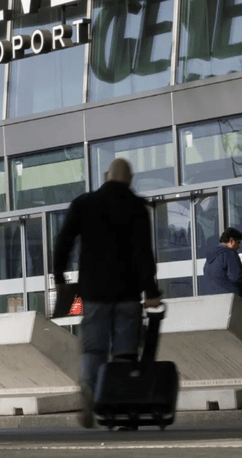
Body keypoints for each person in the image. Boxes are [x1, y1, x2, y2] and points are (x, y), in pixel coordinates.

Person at [51, 158, 161, 428]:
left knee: (93, 350)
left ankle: (89, 394)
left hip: (94, 292)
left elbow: (63, 241)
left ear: (105, 176)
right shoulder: (137, 207)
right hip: (127, 294)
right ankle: (123, 409)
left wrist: (60, 277)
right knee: (125, 353)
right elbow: (144, 253)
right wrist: (151, 291)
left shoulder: (84, 204)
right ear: (130, 179)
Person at [203, 227, 242, 298]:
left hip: (213, 301)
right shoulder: (230, 254)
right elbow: (236, 278)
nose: (239, 246)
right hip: (231, 301)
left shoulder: (210, 258)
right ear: (232, 241)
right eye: (238, 243)